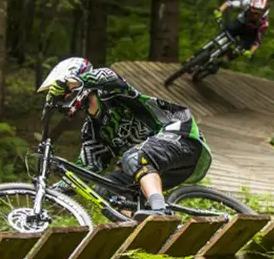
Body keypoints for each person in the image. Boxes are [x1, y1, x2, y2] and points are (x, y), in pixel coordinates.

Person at [37, 57, 212, 220]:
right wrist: (50, 191)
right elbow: (89, 167)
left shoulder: (112, 92)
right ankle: (141, 229)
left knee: (133, 156)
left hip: (181, 137)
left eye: (64, 94)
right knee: (105, 189)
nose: (63, 99)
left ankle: (159, 211)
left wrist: (71, 81)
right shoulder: (92, 131)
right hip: (156, 167)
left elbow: (109, 75)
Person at [209, 0, 270, 72]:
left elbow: (257, 41)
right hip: (240, 23)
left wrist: (250, 52)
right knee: (227, 31)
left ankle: (222, 61)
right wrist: (220, 10)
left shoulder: (264, 23)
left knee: (239, 49)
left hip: (250, 34)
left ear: (263, 11)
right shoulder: (247, 2)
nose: (254, 14)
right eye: (253, 10)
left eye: (257, 12)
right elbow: (229, 3)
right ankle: (212, 47)